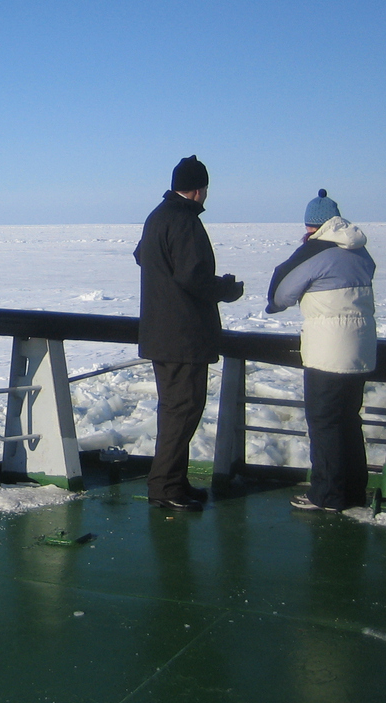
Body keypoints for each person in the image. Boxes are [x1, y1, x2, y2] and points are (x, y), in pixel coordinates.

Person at [134, 155, 244, 512]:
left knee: (174, 411)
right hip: (183, 336)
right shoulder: (184, 222)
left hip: (161, 333)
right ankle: (165, 486)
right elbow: (192, 277)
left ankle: (173, 482)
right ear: (199, 190)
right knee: (183, 411)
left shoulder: (157, 217)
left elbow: (143, 256)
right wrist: (226, 288)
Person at [266, 190, 376, 512]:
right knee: (348, 420)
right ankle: (354, 491)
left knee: (324, 421)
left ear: (313, 226)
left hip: (328, 351)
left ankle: (327, 494)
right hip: (361, 348)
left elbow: (283, 293)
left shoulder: (316, 252)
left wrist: (274, 303)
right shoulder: (361, 252)